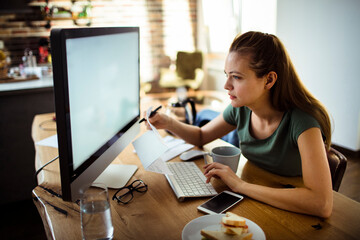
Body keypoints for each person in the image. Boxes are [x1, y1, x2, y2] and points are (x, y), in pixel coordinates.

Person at [145, 31, 333, 218]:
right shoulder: (241, 108)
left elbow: (321, 203)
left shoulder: (303, 122)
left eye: (236, 77)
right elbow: (202, 136)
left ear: (269, 79)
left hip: (294, 212)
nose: (226, 85)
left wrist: (240, 185)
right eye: (227, 75)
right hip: (257, 199)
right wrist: (168, 122)